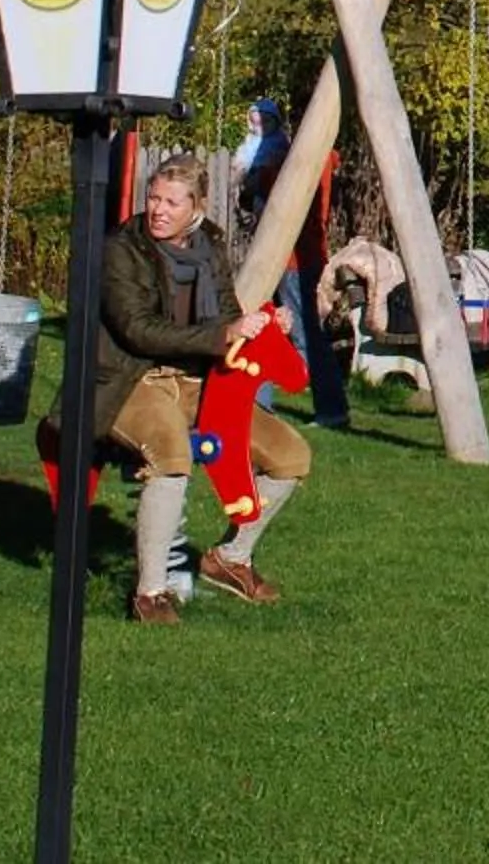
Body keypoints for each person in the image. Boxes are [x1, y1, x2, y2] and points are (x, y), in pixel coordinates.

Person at [99, 154, 312, 625]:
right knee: (171, 451)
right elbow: (137, 330)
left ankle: (230, 558)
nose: (158, 210)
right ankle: (150, 594)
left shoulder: (208, 244)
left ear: (195, 207)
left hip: (200, 381)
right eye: (154, 198)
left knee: (291, 455)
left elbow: (228, 314)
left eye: (171, 203)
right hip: (132, 378)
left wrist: (262, 324)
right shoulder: (122, 249)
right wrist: (222, 336)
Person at [233, 97, 350, 429]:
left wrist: (257, 177)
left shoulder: (306, 161)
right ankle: (260, 404)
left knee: (303, 333)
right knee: (267, 326)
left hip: (294, 258)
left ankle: (330, 408)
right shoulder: (306, 158)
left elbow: (272, 187)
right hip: (290, 256)